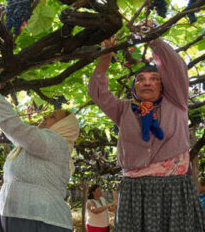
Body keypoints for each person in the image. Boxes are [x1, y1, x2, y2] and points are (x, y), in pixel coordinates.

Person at [87, 35, 205, 231]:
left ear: (163, 85)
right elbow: (96, 92)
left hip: (173, 190)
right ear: (134, 87)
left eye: (154, 79)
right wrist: (106, 55)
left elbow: (176, 69)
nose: (147, 83)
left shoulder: (177, 101)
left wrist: (154, 41)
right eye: (140, 80)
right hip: (135, 192)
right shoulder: (124, 109)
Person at [0, 70, 80, 232]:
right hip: (21, 219)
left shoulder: (56, 143)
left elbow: (15, 128)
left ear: (63, 127)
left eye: (52, 117)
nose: (44, 117)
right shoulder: (35, 147)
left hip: (41, 222)